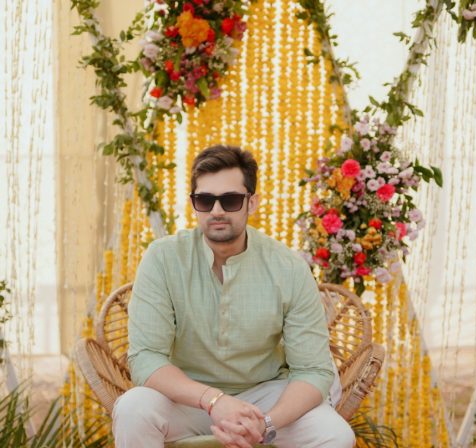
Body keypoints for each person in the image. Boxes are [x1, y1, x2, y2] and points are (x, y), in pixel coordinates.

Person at [112, 145, 355, 448]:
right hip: (187, 398)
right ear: (194, 204)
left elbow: (312, 370)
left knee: (336, 434)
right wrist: (213, 400)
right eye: (205, 200)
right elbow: (146, 357)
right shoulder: (162, 258)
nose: (216, 211)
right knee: (134, 409)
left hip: (264, 399)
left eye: (230, 200)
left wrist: (265, 424)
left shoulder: (289, 267)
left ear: (251, 203)